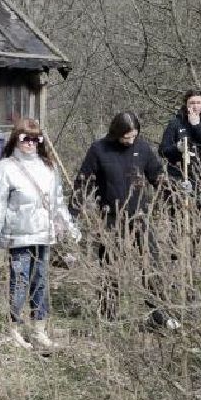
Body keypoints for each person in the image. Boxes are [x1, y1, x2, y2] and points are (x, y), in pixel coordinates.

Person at [0, 119, 78, 350]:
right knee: (19, 283)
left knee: (40, 282)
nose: (30, 143)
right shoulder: (5, 169)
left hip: (43, 235)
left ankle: (39, 330)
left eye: (35, 139)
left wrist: (69, 225)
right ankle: (15, 329)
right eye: (25, 138)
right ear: (16, 139)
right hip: (18, 237)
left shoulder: (48, 167)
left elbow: (58, 201)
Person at [74, 111, 166, 325]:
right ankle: (108, 314)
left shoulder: (142, 148)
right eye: (126, 137)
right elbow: (83, 182)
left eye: (134, 136)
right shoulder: (99, 149)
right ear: (116, 133)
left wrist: (172, 191)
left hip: (139, 214)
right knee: (110, 264)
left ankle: (158, 314)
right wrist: (73, 213)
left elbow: (156, 174)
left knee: (151, 262)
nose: (130, 140)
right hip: (110, 216)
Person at [158, 90, 201, 188]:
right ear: (186, 104)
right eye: (192, 103)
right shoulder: (175, 123)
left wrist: (196, 126)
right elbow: (163, 151)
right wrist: (177, 148)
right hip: (178, 177)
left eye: (198, 103)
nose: (195, 106)